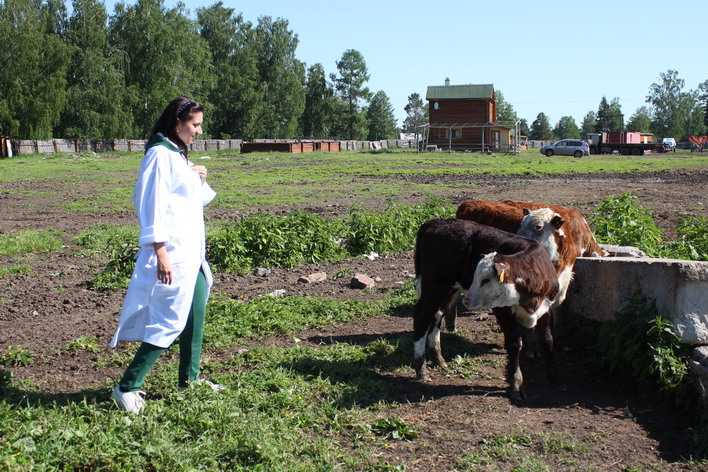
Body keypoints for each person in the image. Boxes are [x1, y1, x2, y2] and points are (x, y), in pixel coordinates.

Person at [110, 96, 221, 414]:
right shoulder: (159, 155)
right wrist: (160, 254)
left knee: (195, 314)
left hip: (192, 256)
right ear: (177, 122)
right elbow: (150, 204)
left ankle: (190, 380)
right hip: (172, 255)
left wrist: (194, 176)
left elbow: (188, 201)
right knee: (168, 320)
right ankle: (127, 386)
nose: (199, 131)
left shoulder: (177, 155)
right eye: (195, 124)